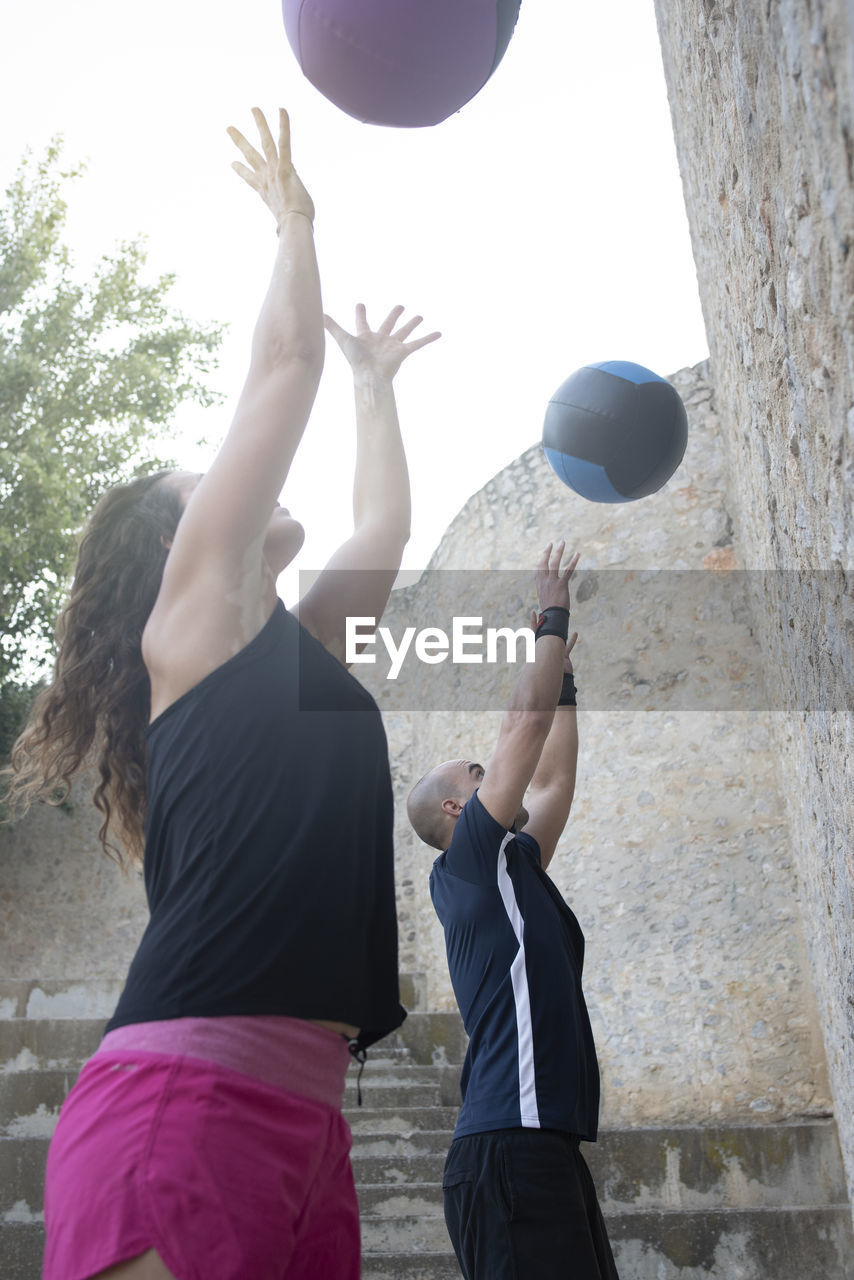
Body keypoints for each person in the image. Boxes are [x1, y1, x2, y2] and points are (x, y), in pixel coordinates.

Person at [5, 107, 439, 1280]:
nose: (237, 470)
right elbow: (276, 367)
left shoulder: (291, 655)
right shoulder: (187, 624)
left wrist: (373, 384)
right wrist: (295, 224)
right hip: (181, 1104)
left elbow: (383, 525)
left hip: (303, 1119)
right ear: (179, 534)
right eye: (207, 472)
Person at [406, 542, 619, 1280]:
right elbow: (523, 732)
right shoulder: (467, 861)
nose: (494, 769)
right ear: (460, 808)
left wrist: (564, 681)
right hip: (507, 1151)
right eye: (479, 769)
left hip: (538, 1148)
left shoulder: (512, 865)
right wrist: (549, 621)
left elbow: (554, 776)